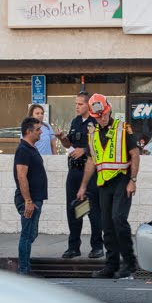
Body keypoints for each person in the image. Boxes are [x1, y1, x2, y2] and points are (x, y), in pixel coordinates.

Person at [76, 93, 140, 279]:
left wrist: (132, 180)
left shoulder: (123, 128)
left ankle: (129, 262)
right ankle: (111, 265)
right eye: (98, 116)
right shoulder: (92, 132)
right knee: (107, 225)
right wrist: (83, 186)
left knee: (118, 219)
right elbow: (91, 161)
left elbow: (135, 155)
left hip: (122, 180)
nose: (102, 118)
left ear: (109, 109)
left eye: (104, 113)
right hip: (103, 183)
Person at [56, 92, 103, 259]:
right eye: (76, 104)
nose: (77, 106)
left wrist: (84, 150)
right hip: (74, 171)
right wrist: (62, 138)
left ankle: (97, 246)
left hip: (89, 172)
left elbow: (99, 146)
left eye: (80, 104)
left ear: (88, 106)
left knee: (93, 210)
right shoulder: (76, 121)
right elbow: (69, 144)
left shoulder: (95, 122)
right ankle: (73, 247)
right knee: (74, 209)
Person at [13, 116, 48, 276]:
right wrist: (28, 201)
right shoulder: (23, 150)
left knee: (31, 234)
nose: (41, 132)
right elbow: (21, 176)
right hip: (29, 200)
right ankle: (23, 270)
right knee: (27, 235)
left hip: (35, 199)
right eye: (38, 129)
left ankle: (24, 266)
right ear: (28, 131)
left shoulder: (31, 148)